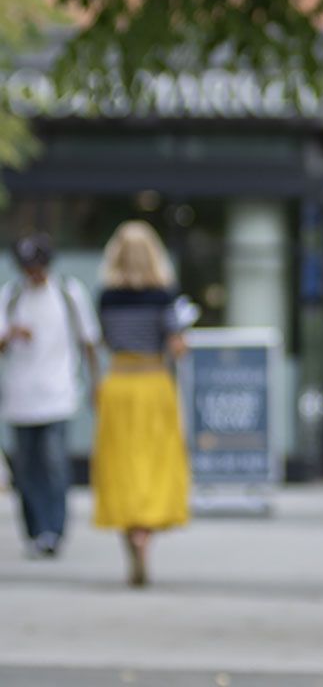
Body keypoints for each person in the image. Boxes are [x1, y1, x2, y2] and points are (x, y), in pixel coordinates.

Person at [90, 221, 189, 587]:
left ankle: (130, 534)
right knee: (155, 462)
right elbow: (177, 346)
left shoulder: (106, 296)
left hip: (118, 383)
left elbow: (103, 340)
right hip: (152, 383)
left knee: (121, 465)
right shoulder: (165, 295)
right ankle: (145, 533)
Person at [0, 233, 100, 558]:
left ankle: (54, 531)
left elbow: (89, 341)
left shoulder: (69, 293)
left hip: (58, 393)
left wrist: (96, 383)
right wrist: (10, 333)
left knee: (55, 464)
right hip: (20, 397)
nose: (33, 273)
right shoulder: (11, 296)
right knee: (27, 468)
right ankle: (35, 530)